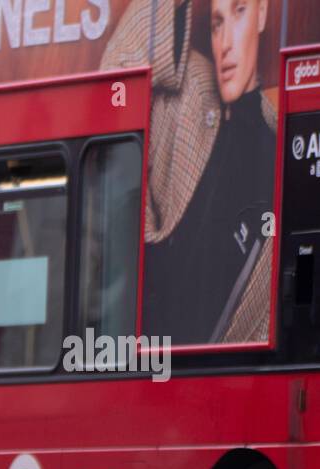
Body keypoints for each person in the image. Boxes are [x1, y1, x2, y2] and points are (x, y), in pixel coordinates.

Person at [102, 0, 276, 344]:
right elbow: (115, 72)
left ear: (263, 13)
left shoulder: (284, 148)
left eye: (239, 12)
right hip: (145, 365)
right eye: (215, 24)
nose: (225, 43)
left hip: (223, 381)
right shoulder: (191, 90)